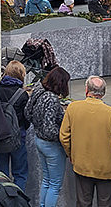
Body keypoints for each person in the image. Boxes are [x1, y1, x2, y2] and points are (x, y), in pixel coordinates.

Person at [60, 76, 111, 207]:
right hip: (106, 169)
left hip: (82, 166)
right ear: (104, 93)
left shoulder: (72, 108)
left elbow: (64, 137)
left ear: (86, 89)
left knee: (83, 203)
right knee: (105, 203)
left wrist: (72, 155)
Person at [24, 67, 70, 207]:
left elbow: (27, 112)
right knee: (55, 185)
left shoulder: (38, 91)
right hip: (51, 146)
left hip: (38, 140)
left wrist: (38, 125)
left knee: (46, 181)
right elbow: (50, 129)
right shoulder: (52, 99)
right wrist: (63, 137)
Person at [0, 60, 29, 190]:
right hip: (18, 136)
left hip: (0, 136)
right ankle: (17, 198)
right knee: (20, 173)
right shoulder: (22, 94)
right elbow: (26, 119)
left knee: (1, 173)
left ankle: (2, 198)